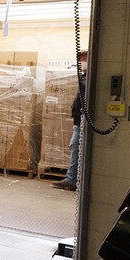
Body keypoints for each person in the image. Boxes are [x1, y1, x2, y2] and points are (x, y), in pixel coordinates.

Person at [54, 50, 86, 191]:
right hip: (79, 120)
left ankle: (72, 180)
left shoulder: (90, 78)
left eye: (82, 59)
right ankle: (72, 178)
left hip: (84, 120)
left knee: (75, 147)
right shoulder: (84, 77)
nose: (80, 63)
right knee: (75, 147)